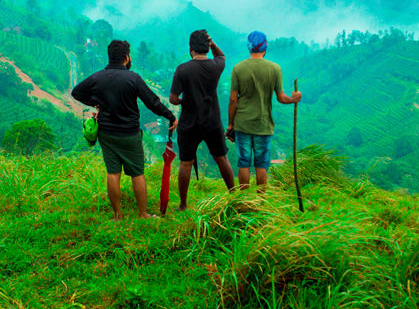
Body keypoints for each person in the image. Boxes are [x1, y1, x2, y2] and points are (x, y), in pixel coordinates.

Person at [72, 40, 178, 220]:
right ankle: (143, 214)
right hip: (129, 134)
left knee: (113, 172)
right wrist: (170, 116)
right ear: (126, 57)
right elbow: (152, 102)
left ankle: (117, 215)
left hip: (107, 133)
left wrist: (95, 103)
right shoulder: (133, 78)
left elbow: (77, 92)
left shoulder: (97, 77)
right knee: (137, 173)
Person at [169, 30, 235, 210]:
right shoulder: (215, 66)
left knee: (185, 163)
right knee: (222, 158)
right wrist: (212, 43)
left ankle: (183, 204)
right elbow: (221, 56)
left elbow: (173, 99)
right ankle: (234, 196)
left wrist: (185, 100)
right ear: (207, 47)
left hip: (189, 122)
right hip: (212, 121)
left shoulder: (182, 69)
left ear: (191, 49)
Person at [227, 31, 302, 191]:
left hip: (243, 124)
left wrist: (230, 124)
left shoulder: (238, 69)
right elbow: (281, 98)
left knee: (244, 163)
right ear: (265, 47)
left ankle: (244, 199)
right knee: (261, 165)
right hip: (263, 124)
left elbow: (233, 100)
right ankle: (261, 200)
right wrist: (294, 99)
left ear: (249, 47)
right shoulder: (275, 69)